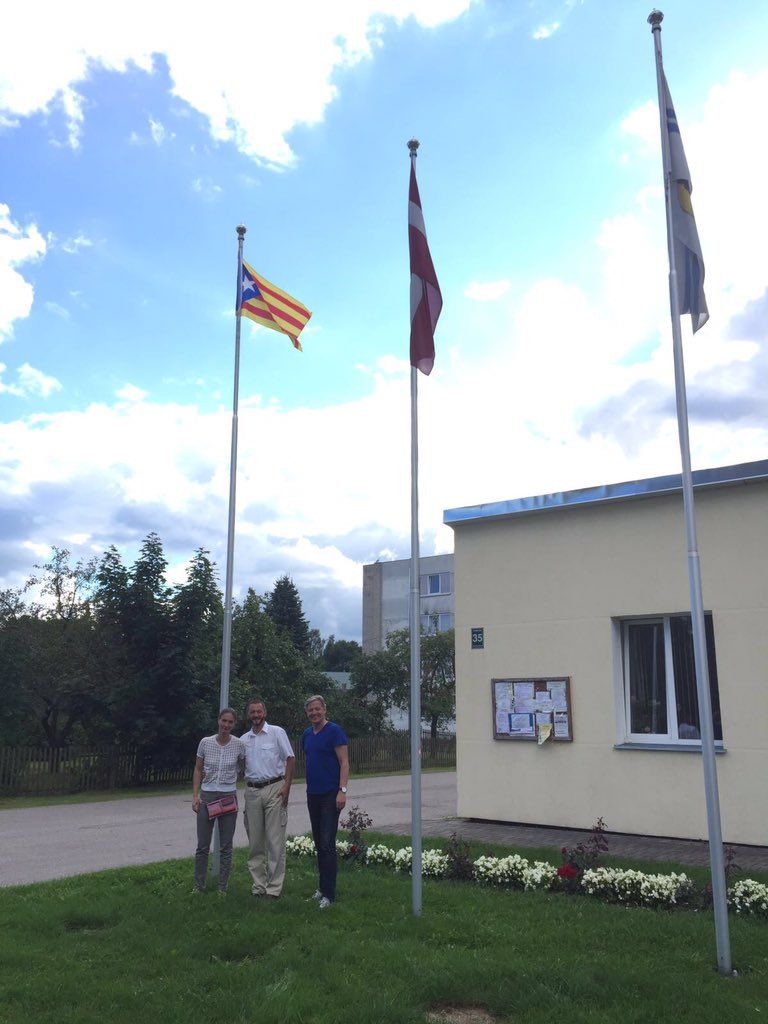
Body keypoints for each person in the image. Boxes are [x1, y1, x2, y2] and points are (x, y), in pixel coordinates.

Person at [241, 698, 295, 899]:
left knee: (275, 841)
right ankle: (258, 886)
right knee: (255, 842)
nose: (256, 715)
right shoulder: (244, 739)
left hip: (275, 788)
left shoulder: (276, 733)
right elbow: (240, 765)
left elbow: (290, 758)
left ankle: (274, 888)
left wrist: (287, 787)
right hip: (253, 791)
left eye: (259, 711)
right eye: (252, 712)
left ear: (265, 713)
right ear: (248, 715)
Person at [301, 695, 349, 909]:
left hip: (331, 794)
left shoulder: (335, 731)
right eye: (311, 710)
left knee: (328, 843)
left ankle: (329, 895)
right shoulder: (307, 735)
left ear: (324, 709)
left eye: (317, 709)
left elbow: (344, 762)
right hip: (313, 793)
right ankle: (322, 887)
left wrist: (342, 790)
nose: (314, 713)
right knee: (319, 843)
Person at [192, 708, 244, 894]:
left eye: (230, 722)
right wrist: (195, 795)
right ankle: (199, 885)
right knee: (203, 845)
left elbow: (243, 766)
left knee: (226, 846)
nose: (226, 725)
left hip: (228, 797)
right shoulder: (205, 743)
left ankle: (223, 887)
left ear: (234, 724)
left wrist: (234, 777)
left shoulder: (239, 744)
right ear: (218, 721)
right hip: (207, 797)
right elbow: (198, 769)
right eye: (224, 721)